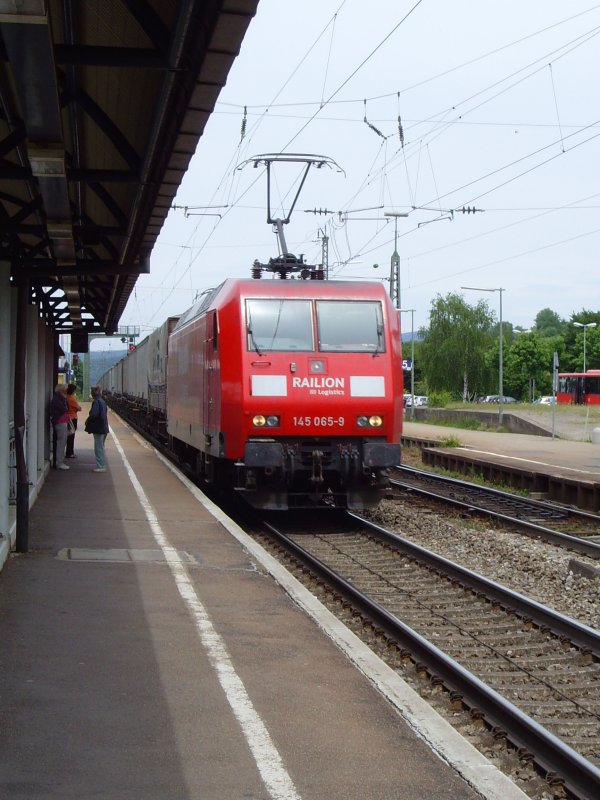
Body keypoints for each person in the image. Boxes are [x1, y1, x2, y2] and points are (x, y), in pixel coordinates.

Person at [88, 386, 109, 472]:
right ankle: (102, 465)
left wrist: (90, 414)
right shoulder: (103, 401)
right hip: (104, 426)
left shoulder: (96, 402)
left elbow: (93, 414)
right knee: (101, 446)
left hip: (98, 427)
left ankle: (101, 466)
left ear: (93, 393)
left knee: (98, 447)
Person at [50, 384, 70, 470]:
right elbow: (65, 408)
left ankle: (60, 461)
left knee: (62, 442)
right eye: (64, 390)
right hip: (60, 422)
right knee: (61, 442)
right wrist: (65, 399)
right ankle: (59, 462)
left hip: (62, 422)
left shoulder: (59, 399)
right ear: (60, 391)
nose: (66, 392)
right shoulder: (58, 399)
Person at [65, 383, 82, 459]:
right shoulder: (72, 399)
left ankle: (69, 452)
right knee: (71, 436)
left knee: (68, 436)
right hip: (73, 418)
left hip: (67, 418)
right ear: (73, 390)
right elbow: (79, 408)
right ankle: (70, 452)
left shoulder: (66, 397)